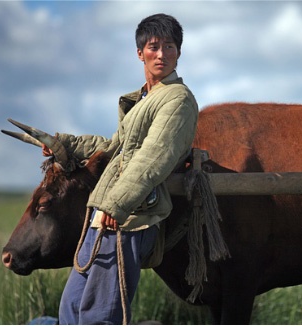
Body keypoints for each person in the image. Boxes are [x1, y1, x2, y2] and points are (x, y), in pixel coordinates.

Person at [44, 13, 199, 324]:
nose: (162, 54)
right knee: (71, 312)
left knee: (99, 317)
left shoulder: (177, 100)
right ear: (139, 53)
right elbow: (114, 147)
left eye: (170, 47)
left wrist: (117, 205)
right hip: (102, 213)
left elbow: (154, 158)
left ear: (179, 53)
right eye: (154, 47)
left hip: (128, 219)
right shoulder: (144, 99)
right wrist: (64, 142)